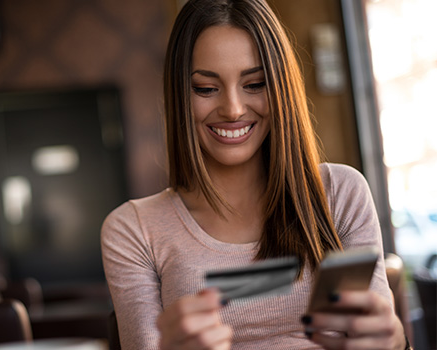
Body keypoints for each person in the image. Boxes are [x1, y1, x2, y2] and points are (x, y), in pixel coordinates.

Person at [101, 0, 410, 349]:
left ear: (281, 88)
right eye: (205, 88)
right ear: (179, 95)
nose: (232, 109)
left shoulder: (341, 193)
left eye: (255, 84)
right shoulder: (133, 230)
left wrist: (397, 342)